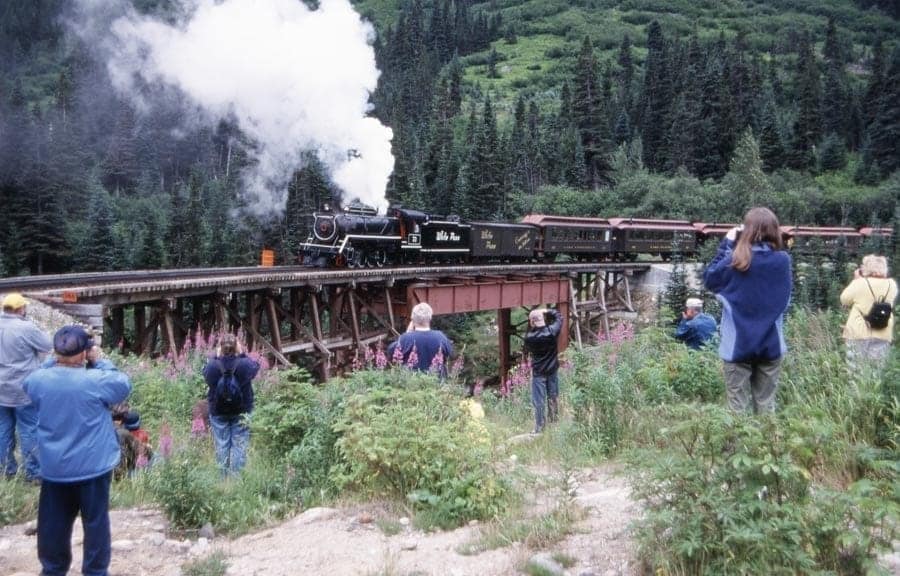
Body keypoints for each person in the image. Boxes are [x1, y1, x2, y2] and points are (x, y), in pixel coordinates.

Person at [22, 325, 131, 576]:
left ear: (56, 352)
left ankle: (52, 569)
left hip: (55, 468)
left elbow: (30, 382)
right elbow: (123, 384)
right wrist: (100, 361)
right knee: (95, 523)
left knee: (53, 525)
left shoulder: (39, 380)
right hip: (93, 466)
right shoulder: (95, 380)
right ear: (84, 354)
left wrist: (54, 361)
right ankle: (95, 571)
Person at [703, 207, 792, 414]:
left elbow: (709, 278)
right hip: (771, 346)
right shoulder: (783, 261)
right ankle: (767, 445)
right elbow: (786, 301)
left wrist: (727, 243)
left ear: (747, 231)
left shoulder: (735, 261)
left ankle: (738, 446)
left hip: (737, 347)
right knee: (766, 407)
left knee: (737, 410)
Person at [0, 293, 52, 481]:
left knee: (2, 430)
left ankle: (6, 471)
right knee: (29, 429)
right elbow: (47, 345)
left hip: (0, 390)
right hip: (23, 389)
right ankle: (34, 472)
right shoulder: (26, 327)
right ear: (20, 309)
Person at [202, 334, 260, 476]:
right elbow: (256, 367)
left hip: (218, 411)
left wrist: (215, 357)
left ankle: (223, 478)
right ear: (237, 347)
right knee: (239, 445)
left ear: (220, 348)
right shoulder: (245, 364)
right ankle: (237, 479)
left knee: (222, 445)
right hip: (242, 410)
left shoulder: (212, 365)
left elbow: (205, 374)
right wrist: (242, 354)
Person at [840, 254, 898, 369]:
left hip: (858, 332)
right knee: (875, 371)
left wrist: (856, 280)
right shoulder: (892, 285)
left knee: (855, 370)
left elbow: (844, 299)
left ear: (866, 268)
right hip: (883, 332)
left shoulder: (860, 283)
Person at [523, 307, 563, 434]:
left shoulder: (529, 338)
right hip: (552, 371)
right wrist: (546, 310)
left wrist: (532, 324)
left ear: (532, 322)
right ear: (543, 319)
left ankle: (540, 427)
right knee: (553, 397)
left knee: (539, 401)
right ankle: (554, 421)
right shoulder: (552, 331)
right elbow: (559, 317)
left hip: (539, 373)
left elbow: (528, 339)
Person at [387, 302, 453, 376]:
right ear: (430, 318)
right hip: (436, 383)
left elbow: (390, 352)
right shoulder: (440, 336)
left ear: (412, 319)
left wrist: (407, 332)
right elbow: (450, 353)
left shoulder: (405, 338)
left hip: (412, 383)